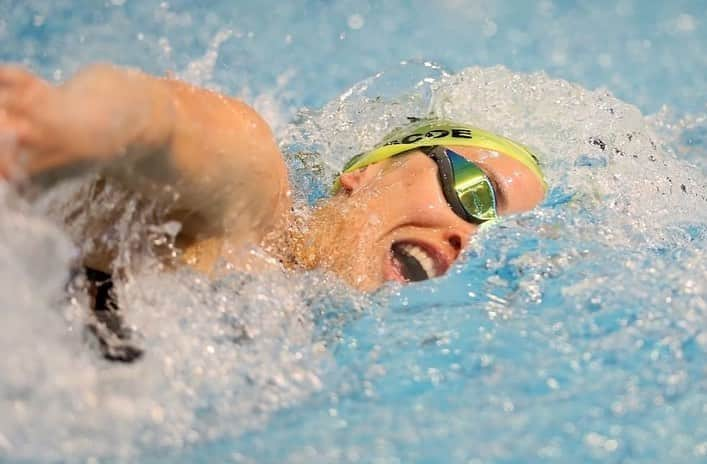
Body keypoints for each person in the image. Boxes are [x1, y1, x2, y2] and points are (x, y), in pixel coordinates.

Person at [0, 63, 546, 293]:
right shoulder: (256, 214)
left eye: (502, 240)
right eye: (476, 194)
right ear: (369, 171)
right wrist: (66, 127)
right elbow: (167, 125)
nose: (471, 238)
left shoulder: (301, 333)